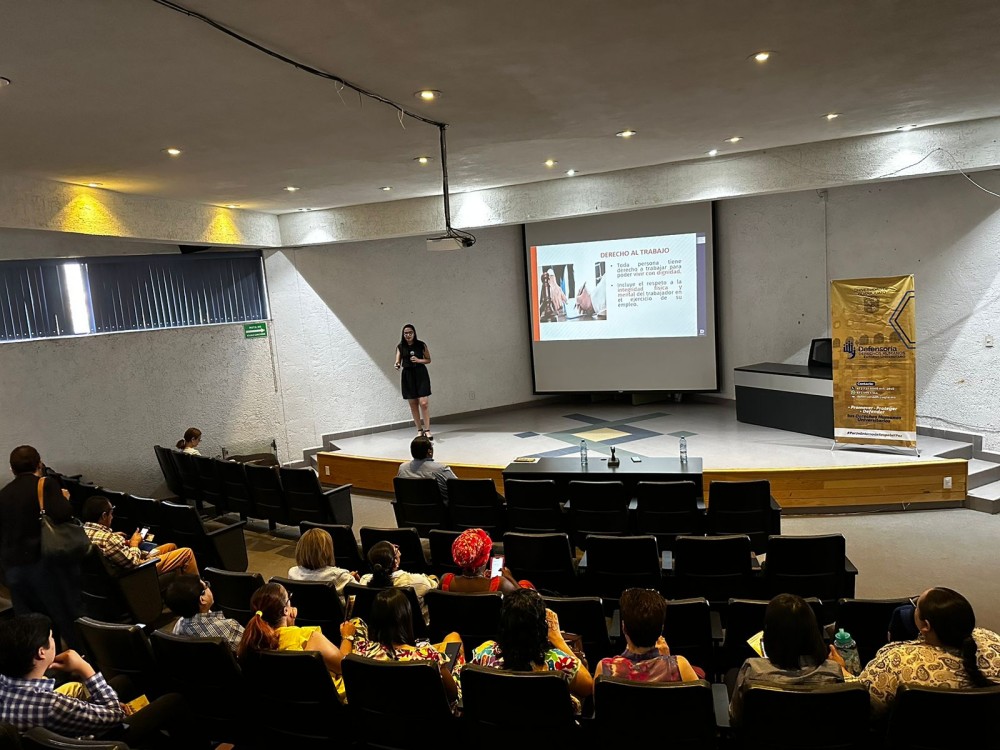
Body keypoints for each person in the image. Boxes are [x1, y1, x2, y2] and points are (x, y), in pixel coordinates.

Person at [0, 613, 192, 746]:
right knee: (173, 700)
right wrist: (86, 670)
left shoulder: (4, 683)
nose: (53, 642)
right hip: (89, 743)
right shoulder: (50, 704)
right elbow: (114, 715)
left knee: (123, 681)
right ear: (41, 653)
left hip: (52, 735)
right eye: (50, 638)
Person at [859, 587, 1000, 718]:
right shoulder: (993, 640)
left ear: (926, 626)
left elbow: (864, 705)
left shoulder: (897, 661)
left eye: (916, 607)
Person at [0, 446, 82, 651]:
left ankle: (45, 671)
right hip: (45, 566)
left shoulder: (3, 494)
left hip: (14, 570)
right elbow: (64, 514)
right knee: (66, 618)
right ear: (39, 464)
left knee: (33, 627)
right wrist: (64, 499)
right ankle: (80, 665)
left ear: (12, 469)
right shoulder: (45, 485)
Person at [467, 588, 593, 713]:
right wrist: (558, 639)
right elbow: (588, 686)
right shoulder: (559, 661)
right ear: (542, 628)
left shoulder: (485, 653)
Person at [728, 593, 846, 726]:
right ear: (814, 633)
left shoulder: (753, 669)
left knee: (732, 674)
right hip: (816, 743)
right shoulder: (834, 671)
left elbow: (735, 717)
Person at [341, 588, 462, 708]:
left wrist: (347, 637)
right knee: (455, 644)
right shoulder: (429, 657)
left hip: (377, 717)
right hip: (425, 720)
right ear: (406, 618)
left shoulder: (361, 651)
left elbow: (343, 657)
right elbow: (453, 694)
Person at [236, 582, 351, 700]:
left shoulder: (250, 643)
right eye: (289, 597)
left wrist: (290, 625)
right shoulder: (308, 637)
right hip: (333, 700)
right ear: (286, 610)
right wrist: (347, 636)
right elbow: (346, 667)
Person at [596, 587, 700, 683]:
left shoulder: (605, 669)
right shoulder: (679, 666)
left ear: (623, 627)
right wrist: (667, 660)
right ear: (661, 629)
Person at [82, 495, 199, 577]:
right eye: (111, 513)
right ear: (103, 516)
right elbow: (134, 563)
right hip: (137, 573)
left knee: (171, 546)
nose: (112, 517)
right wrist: (134, 543)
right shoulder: (109, 539)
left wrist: (118, 539)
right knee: (186, 553)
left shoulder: (82, 531)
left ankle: (179, 594)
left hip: (119, 569)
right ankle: (197, 597)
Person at [358, 541, 438, 625]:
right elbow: (434, 585)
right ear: (395, 562)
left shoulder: (364, 580)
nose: (398, 550)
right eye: (395, 549)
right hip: (411, 632)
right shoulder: (416, 582)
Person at [165, 574, 244, 651]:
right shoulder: (230, 627)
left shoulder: (178, 626)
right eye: (206, 585)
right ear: (202, 599)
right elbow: (249, 648)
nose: (209, 587)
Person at [440, 527, 529, 595]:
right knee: (524, 583)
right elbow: (528, 601)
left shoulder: (445, 581)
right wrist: (509, 577)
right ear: (484, 559)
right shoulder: (500, 584)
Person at [287, 528, 359, 607]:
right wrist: (353, 579)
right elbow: (362, 594)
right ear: (328, 551)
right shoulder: (339, 576)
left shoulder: (292, 572)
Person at [393, 324, 433, 439]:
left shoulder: (421, 345)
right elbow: (397, 361)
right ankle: (419, 430)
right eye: (406, 333)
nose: (408, 335)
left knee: (424, 403)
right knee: (413, 404)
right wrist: (396, 365)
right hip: (408, 375)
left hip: (421, 374)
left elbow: (429, 359)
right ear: (403, 334)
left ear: (414, 333)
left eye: (410, 332)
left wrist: (418, 360)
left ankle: (428, 429)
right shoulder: (400, 347)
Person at [396, 436, 456, 500]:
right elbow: (458, 487)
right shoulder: (440, 469)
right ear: (429, 451)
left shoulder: (402, 468)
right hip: (439, 509)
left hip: (410, 508)